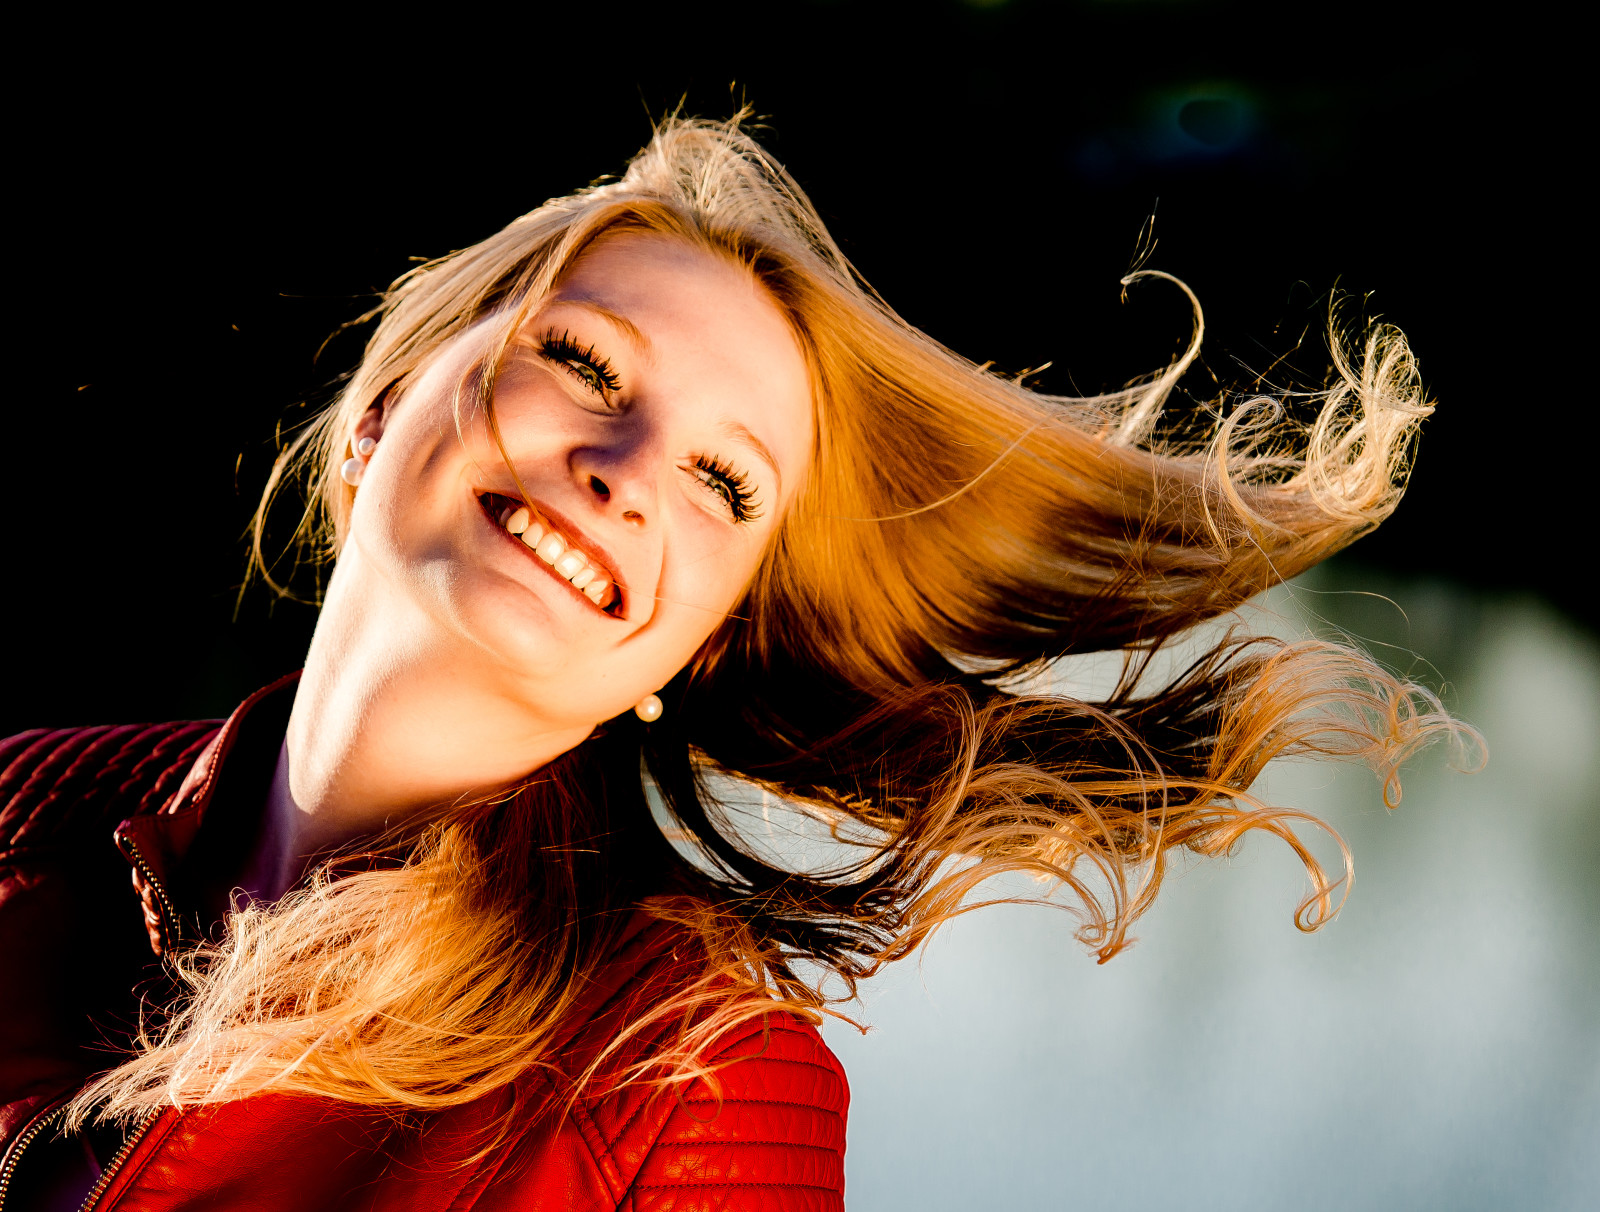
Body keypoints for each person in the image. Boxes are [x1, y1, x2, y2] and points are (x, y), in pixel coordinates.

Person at [0, 115, 1454, 1210]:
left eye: (723, 482)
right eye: (586, 362)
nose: (629, 469)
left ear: (696, 647)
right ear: (381, 409)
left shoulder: (690, 1080)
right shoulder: (23, 801)